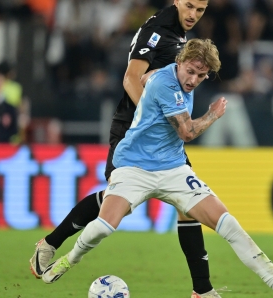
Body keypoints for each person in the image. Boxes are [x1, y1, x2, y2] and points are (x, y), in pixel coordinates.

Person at [41, 38, 273, 298]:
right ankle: (68, 260)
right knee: (103, 227)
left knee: (228, 223)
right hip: (134, 166)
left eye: (201, 75)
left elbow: (145, 78)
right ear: (181, 61)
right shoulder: (166, 85)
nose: (193, 80)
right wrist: (212, 114)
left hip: (173, 168)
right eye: (191, 72)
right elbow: (187, 132)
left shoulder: (166, 75)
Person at [30, 1, 219, 297]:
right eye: (190, 6)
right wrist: (153, 117)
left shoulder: (179, 33)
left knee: (188, 205)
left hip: (161, 136)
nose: (194, 14)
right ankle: (51, 244)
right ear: (177, 1)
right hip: (135, 128)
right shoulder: (158, 29)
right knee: (113, 201)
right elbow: (131, 78)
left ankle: (202, 290)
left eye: (201, 9)